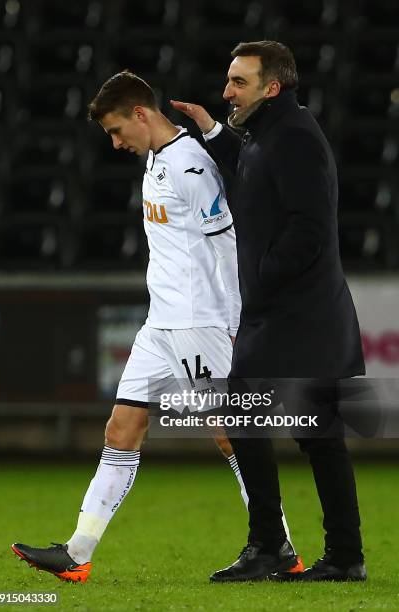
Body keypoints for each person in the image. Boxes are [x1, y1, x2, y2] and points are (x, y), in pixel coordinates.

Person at [11, 70, 302, 583]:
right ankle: (77, 552)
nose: (116, 142)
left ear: (141, 114)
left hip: (200, 322)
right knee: (122, 429)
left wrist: (237, 324)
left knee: (230, 435)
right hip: (159, 324)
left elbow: (223, 248)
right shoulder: (155, 157)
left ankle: (278, 545)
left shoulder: (191, 168)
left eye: (118, 131)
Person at [172, 40, 367, 582]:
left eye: (239, 82)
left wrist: (259, 281)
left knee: (282, 425)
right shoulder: (273, 133)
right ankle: (332, 555)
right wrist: (213, 130)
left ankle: (281, 549)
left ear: (272, 86)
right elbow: (250, 168)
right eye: (229, 79)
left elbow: (311, 226)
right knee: (307, 432)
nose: (227, 90)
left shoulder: (297, 137)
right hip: (290, 313)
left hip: (299, 315)